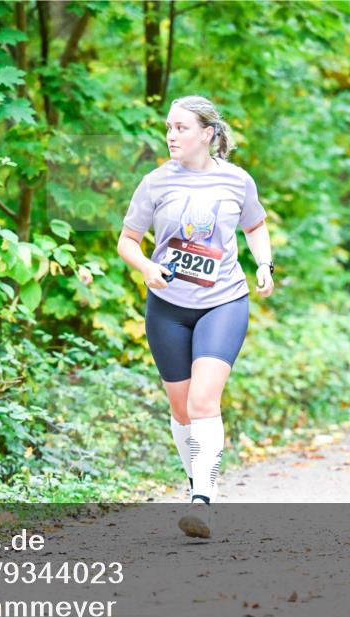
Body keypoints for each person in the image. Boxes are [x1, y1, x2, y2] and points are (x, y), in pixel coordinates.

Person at [117, 95, 275, 539]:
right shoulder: (154, 183)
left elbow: (255, 226)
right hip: (167, 307)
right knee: (182, 409)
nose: (170, 135)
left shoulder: (237, 181)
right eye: (168, 127)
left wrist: (264, 264)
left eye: (181, 128)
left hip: (223, 301)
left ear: (207, 134)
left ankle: (201, 498)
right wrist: (147, 266)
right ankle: (195, 480)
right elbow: (127, 241)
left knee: (205, 401)